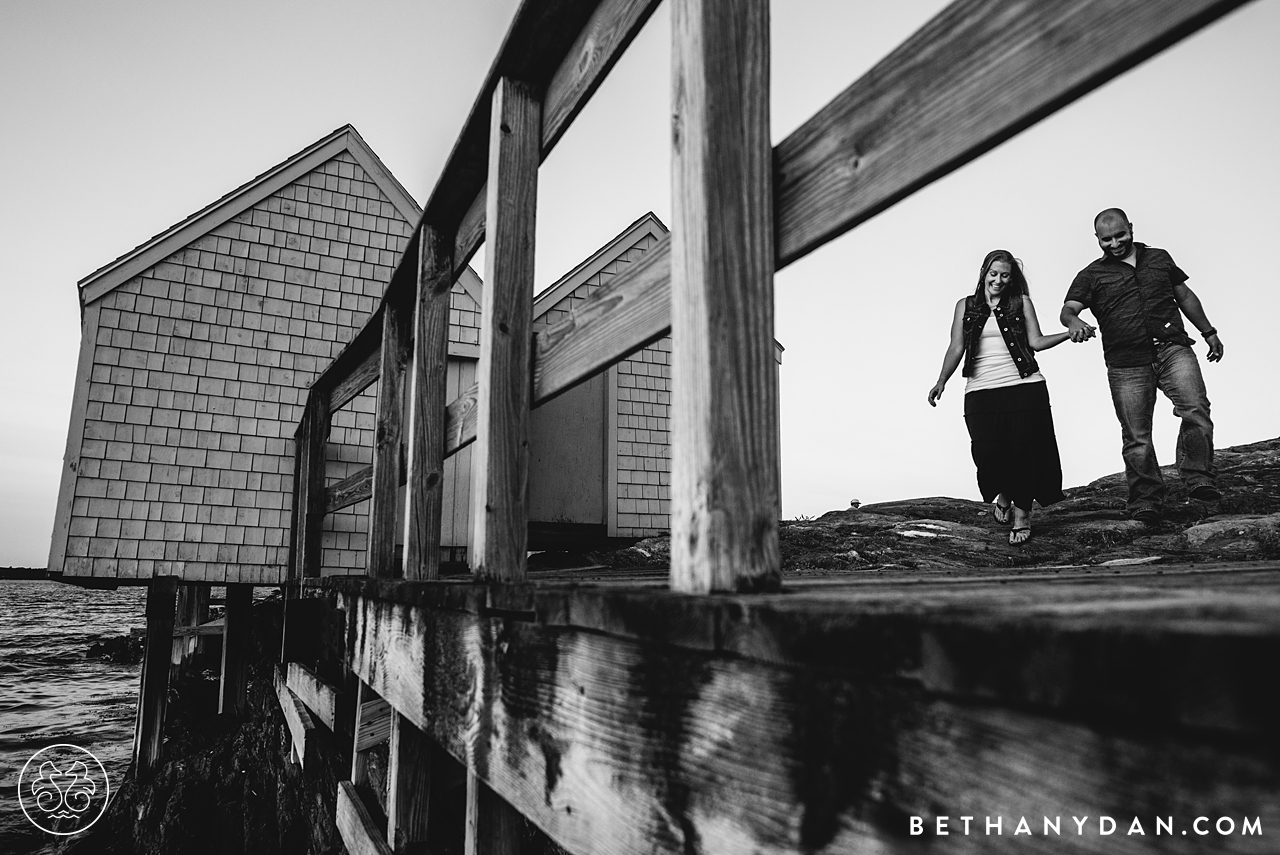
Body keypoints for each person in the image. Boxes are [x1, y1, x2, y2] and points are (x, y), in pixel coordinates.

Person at [1061, 208, 1223, 523]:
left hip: (1173, 348)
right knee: (1137, 435)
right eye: (1106, 239)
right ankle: (1146, 498)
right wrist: (1074, 322)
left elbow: (1185, 296)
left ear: (1131, 228)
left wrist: (1209, 332)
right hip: (1127, 363)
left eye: (1120, 235)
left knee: (1196, 410)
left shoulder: (1160, 258)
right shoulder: (1091, 275)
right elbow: (1068, 309)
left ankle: (1198, 478)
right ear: (1097, 239)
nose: (1114, 243)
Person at [929, 250, 1073, 544]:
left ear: (1011, 278)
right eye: (993, 273)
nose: (998, 280)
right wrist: (941, 381)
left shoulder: (1021, 302)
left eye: (1004, 275)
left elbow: (1036, 342)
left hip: (1024, 387)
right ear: (984, 272)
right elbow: (956, 346)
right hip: (980, 390)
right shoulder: (965, 306)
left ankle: (1022, 515)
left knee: (1025, 453)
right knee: (988, 454)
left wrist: (1069, 333)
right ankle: (1004, 494)